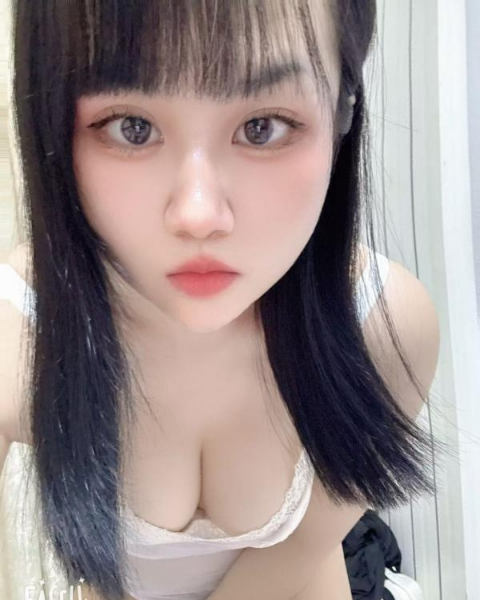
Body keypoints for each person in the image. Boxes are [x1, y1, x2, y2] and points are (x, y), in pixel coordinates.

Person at [0, 1, 447, 599]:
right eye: (131, 127)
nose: (199, 214)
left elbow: (299, 554)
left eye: (263, 126)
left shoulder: (386, 325)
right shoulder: (16, 332)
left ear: (342, 107)